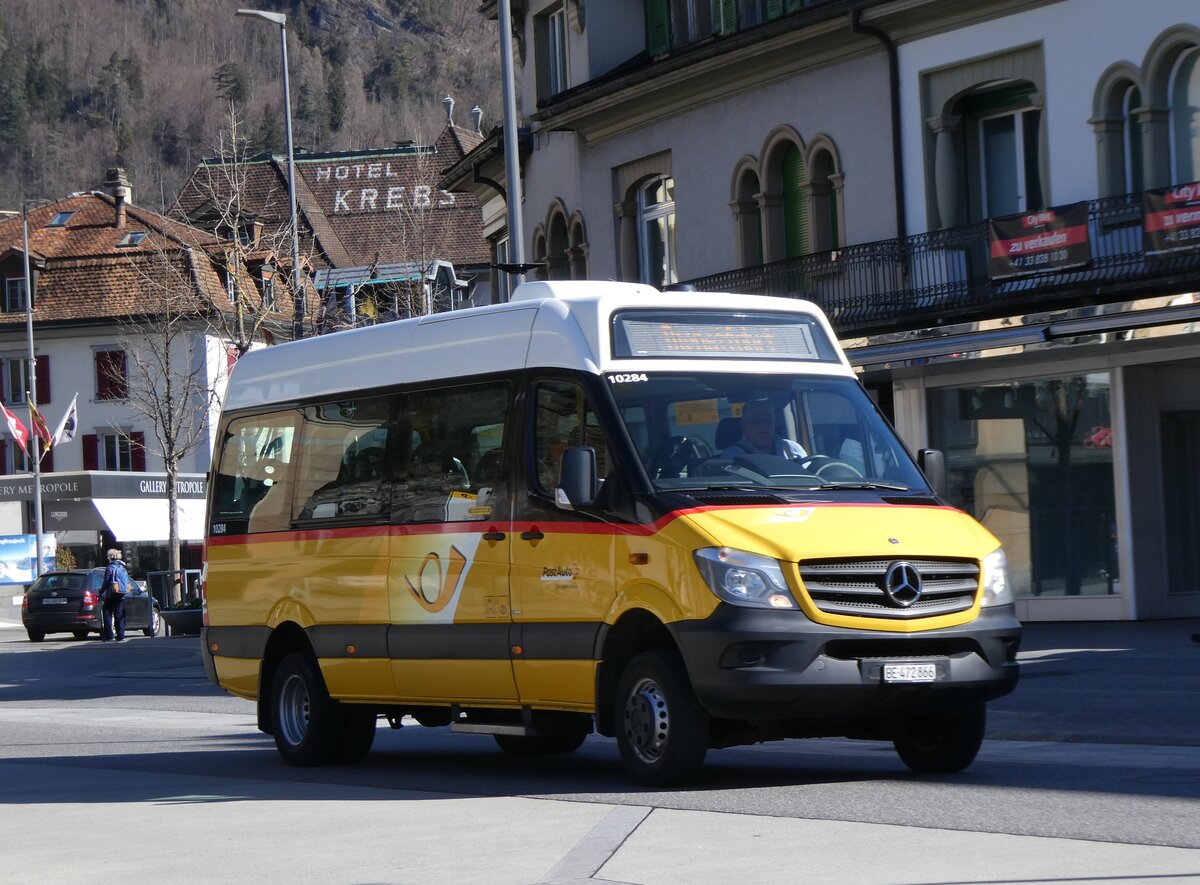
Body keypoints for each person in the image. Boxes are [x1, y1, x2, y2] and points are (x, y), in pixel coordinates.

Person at [722, 398, 806, 459]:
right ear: (743, 424)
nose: (762, 426)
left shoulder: (793, 449)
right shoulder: (733, 456)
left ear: (775, 423)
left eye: (767, 420)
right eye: (754, 420)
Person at [100, 548, 132, 642]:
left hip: (111, 593)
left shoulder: (110, 567)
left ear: (110, 557)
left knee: (107, 613)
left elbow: (106, 582)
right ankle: (121, 635)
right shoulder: (123, 567)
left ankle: (109, 635)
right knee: (119, 614)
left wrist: (101, 592)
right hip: (121, 594)